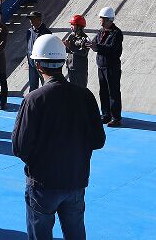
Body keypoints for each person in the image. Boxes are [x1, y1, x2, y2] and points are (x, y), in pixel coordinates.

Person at [12, 34, 105, 240]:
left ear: (37, 65)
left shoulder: (33, 100)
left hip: (43, 184)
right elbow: (98, 140)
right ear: (63, 61)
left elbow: (19, 147)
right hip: (76, 181)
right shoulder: (85, 96)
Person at [89, 7, 123, 127]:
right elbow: (96, 44)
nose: (100, 20)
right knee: (103, 91)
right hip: (102, 66)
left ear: (109, 20)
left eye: (102, 18)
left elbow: (111, 48)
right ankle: (106, 114)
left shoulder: (116, 33)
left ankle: (116, 118)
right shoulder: (101, 31)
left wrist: (96, 46)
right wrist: (91, 45)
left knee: (113, 92)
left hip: (112, 67)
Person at [26, 11, 51, 93]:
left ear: (39, 20)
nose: (31, 21)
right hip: (32, 64)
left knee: (46, 84)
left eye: (33, 18)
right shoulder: (29, 31)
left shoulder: (47, 33)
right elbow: (28, 46)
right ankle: (33, 100)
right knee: (33, 86)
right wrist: (29, 61)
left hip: (43, 64)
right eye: (30, 19)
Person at [62, 15, 90, 88]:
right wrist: (64, 46)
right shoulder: (71, 36)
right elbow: (68, 50)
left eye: (73, 25)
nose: (71, 27)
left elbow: (83, 53)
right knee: (73, 90)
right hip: (71, 68)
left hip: (80, 70)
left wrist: (70, 46)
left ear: (79, 26)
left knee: (81, 90)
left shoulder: (85, 39)